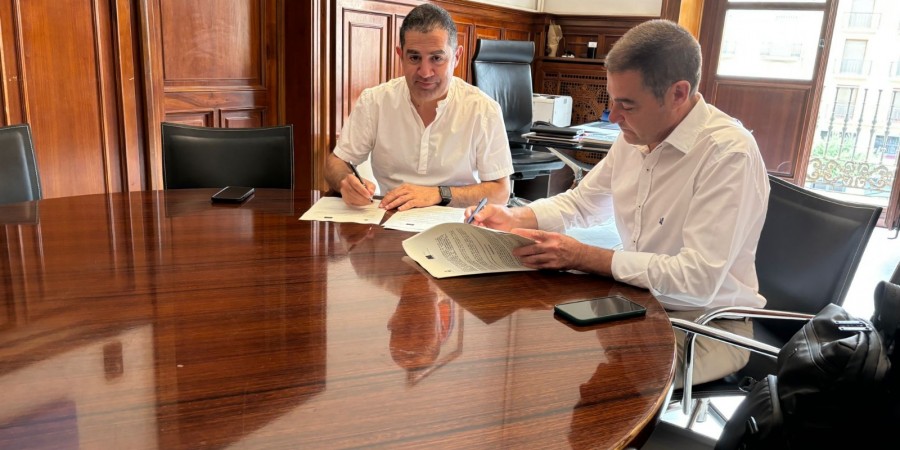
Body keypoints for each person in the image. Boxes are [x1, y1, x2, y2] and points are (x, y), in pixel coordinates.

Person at [466, 19, 770, 388]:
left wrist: (584, 256)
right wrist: (515, 216)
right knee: (535, 342)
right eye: (613, 100)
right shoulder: (635, 135)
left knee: (570, 379)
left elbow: (696, 282)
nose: (613, 116)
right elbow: (583, 203)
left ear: (678, 93)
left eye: (627, 104)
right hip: (638, 303)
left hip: (705, 326)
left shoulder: (728, 154)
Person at [325, 3, 513, 211]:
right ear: (400, 55)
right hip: (389, 221)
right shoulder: (374, 101)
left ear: (456, 57)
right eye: (414, 57)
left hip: (454, 225)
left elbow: (500, 192)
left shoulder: (483, 110)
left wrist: (438, 194)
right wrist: (345, 181)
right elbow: (336, 162)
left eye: (437, 58)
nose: (425, 72)